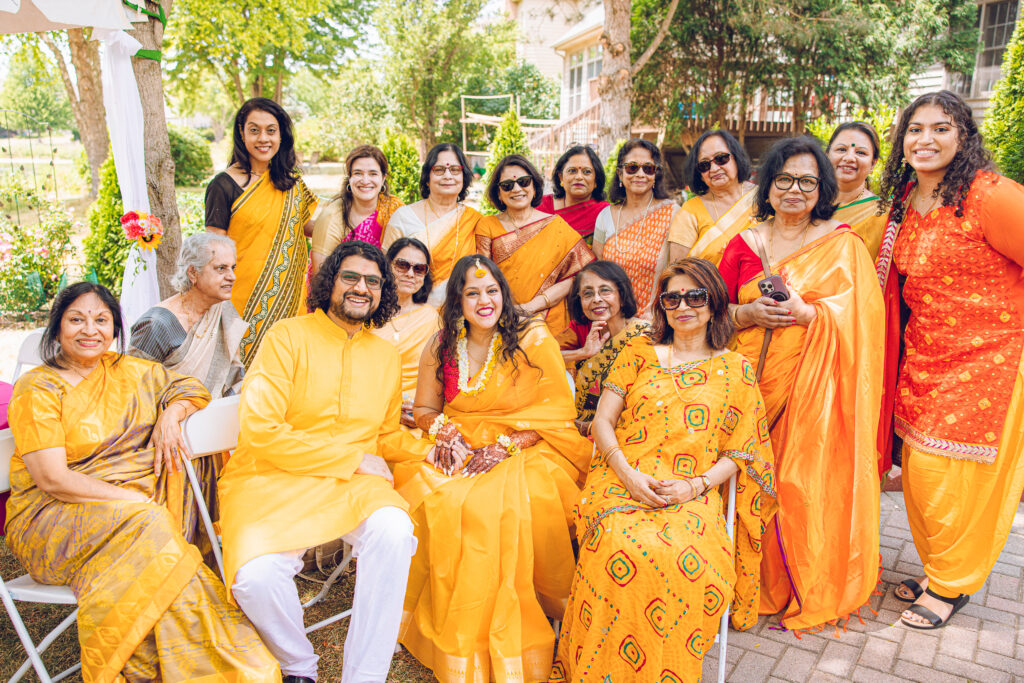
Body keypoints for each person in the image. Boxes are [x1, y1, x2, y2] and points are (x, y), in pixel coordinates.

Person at [5, 282, 279, 681]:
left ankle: (209, 663)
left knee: (153, 535)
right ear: (57, 328)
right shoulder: (38, 388)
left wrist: (173, 413)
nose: (89, 330)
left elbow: (189, 387)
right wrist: (132, 502)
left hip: (132, 517)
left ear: (115, 329)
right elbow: (53, 479)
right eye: (76, 319)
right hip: (52, 517)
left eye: (101, 320)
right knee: (153, 527)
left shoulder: (132, 372)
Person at [551, 259, 776, 682]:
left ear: (715, 303)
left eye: (696, 296)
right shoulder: (639, 353)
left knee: (679, 559)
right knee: (620, 548)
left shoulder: (736, 369)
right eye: (672, 297)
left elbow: (742, 449)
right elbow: (602, 421)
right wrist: (629, 475)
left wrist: (695, 486)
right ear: (662, 305)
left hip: (691, 491)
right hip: (620, 480)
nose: (683, 306)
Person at [218, 241, 420, 682]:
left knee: (394, 530)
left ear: (383, 292)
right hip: (273, 477)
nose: (361, 288)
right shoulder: (287, 337)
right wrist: (351, 458)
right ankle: (298, 666)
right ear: (329, 282)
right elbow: (261, 430)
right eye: (350, 277)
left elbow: (385, 434)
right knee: (255, 579)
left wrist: (437, 450)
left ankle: (364, 676)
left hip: (351, 486)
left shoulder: (385, 355)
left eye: (372, 281)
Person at [394, 255, 592, 683]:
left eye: (492, 290)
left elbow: (556, 413)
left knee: (498, 509)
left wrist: (506, 445)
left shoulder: (532, 337)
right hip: (461, 442)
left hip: (531, 445)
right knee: (434, 498)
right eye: (472, 293)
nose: (485, 301)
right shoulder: (443, 342)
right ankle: (453, 615)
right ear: (457, 301)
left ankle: (529, 613)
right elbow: (426, 408)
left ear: (503, 293)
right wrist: (443, 433)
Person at [717, 136, 884, 633]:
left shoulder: (842, 242)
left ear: (822, 188)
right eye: (784, 179)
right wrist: (745, 312)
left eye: (807, 181)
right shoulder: (745, 243)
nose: (795, 189)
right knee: (745, 478)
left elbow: (863, 319)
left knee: (796, 480)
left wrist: (811, 313)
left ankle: (791, 578)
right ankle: (739, 573)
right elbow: (707, 308)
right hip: (748, 385)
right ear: (767, 187)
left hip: (815, 392)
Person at [875, 90, 1024, 630]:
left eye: (941, 128)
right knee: (917, 472)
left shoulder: (991, 196)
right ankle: (940, 569)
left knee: (952, 474)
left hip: (987, 362)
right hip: (925, 358)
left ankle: (953, 585)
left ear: (964, 136)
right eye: (915, 129)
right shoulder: (906, 201)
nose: (926, 139)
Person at [129, 232, 248, 548]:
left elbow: (234, 373)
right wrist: (172, 413)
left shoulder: (222, 310)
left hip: (210, 435)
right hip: (165, 444)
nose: (232, 277)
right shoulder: (159, 323)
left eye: (232, 267)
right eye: (220, 268)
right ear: (193, 273)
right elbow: (131, 392)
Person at [205, 97, 318, 368]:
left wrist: (356, 211)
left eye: (271, 130)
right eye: (254, 130)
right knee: (239, 378)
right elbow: (212, 250)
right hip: (238, 301)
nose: (263, 138)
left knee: (285, 371)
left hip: (289, 300)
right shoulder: (223, 185)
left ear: (281, 136)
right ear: (241, 133)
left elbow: (311, 227)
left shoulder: (292, 184)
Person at [477, 154, 594, 338]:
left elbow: (577, 275)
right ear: (498, 193)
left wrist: (530, 308)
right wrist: (509, 312)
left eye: (524, 182)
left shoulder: (556, 225)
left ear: (534, 186)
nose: (517, 189)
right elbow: (481, 276)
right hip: (503, 319)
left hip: (549, 319)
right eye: (507, 185)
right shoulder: (487, 226)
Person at [382, 143, 483, 307]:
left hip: (461, 314)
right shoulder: (403, 217)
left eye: (455, 170)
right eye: (439, 170)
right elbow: (386, 272)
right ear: (427, 178)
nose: (448, 176)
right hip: (411, 314)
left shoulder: (475, 220)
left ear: (463, 177)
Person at [560, 260, 649, 436]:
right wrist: (583, 353)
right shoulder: (581, 329)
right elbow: (541, 357)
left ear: (622, 296)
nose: (597, 299)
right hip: (579, 426)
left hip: (624, 427)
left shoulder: (642, 334)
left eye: (605, 290)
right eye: (587, 294)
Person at [593, 139, 679, 311]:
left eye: (648, 168)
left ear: (655, 175)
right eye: (632, 168)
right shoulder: (605, 217)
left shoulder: (672, 213)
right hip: (611, 318)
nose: (640, 174)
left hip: (653, 321)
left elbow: (677, 272)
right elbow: (598, 273)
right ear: (620, 173)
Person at [371, 237, 441, 429]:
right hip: (371, 408)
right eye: (402, 265)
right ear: (387, 266)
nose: (410, 274)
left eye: (419, 269)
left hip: (418, 412)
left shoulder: (430, 317)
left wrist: (425, 410)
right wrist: (391, 407)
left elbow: (440, 373)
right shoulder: (367, 313)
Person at [667, 129, 757, 265]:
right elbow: (677, 270)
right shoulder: (691, 211)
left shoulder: (763, 198)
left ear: (736, 158)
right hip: (709, 286)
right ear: (699, 175)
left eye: (721, 159)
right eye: (704, 165)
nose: (714, 169)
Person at [311, 144, 404, 271]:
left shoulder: (394, 209)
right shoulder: (332, 216)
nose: (365, 180)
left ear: (383, 178)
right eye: (358, 173)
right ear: (349, 178)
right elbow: (320, 274)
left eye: (373, 174)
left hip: (384, 285)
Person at [827, 121, 886, 259]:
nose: (849, 158)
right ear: (826, 155)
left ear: (873, 164)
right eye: (841, 149)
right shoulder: (805, 203)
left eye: (861, 152)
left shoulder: (882, 214)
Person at [537, 144, 609, 245]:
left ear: (596, 179)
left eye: (587, 172)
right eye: (572, 171)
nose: (579, 177)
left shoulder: (604, 213)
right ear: (561, 177)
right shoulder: (541, 206)